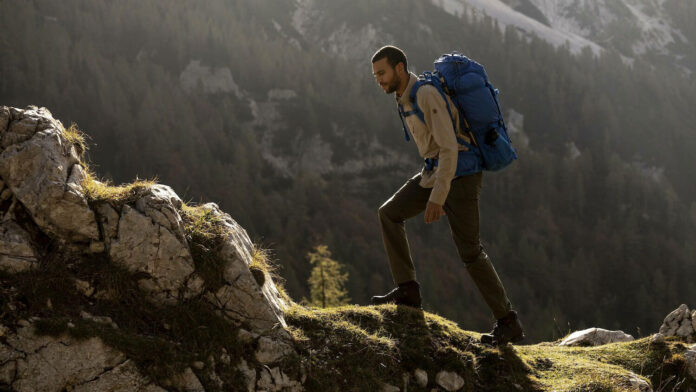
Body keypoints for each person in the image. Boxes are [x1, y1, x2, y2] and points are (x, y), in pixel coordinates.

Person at [369, 45, 524, 345]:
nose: (379, 80)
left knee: (470, 251)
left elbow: (450, 147)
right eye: (375, 75)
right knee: (388, 213)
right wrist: (434, 185)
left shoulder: (425, 95)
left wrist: (438, 197)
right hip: (435, 172)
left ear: (400, 68)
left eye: (382, 73)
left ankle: (508, 322)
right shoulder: (404, 97)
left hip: (460, 176)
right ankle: (408, 291)